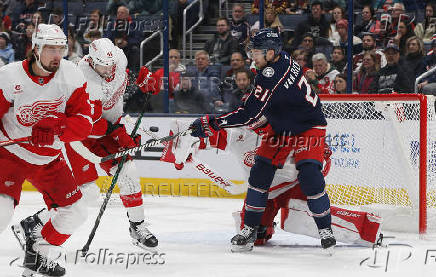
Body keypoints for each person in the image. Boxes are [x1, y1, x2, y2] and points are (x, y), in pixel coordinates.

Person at [189, 28, 336, 252]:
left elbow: (249, 114)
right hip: (281, 125)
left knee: (309, 175)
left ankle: (325, 230)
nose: (252, 57)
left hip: (308, 127)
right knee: (260, 173)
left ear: (270, 52)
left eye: (256, 52)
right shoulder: (281, 58)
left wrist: (213, 123)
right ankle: (250, 229)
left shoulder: (271, 75)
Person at [11, 38, 159, 254]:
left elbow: (122, 81)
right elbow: (93, 126)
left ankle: (137, 226)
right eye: (101, 66)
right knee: (86, 193)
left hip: (109, 127)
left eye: (110, 66)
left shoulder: (119, 58)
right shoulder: (83, 77)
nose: (107, 70)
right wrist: (120, 133)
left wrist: (140, 83)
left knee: (129, 172)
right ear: (91, 61)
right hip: (81, 135)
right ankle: (34, 223)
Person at [164, 119, 382, 247]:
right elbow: (202, 135)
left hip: (293, 187)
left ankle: (367, 228)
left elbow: (320, 163)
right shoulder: (239, 131)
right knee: (255, 238)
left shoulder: (293, 127)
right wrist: (183, 144)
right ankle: (266, 227)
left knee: (297, 219)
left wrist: (314, 168)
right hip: (263, 193)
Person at [0, 24, 93, 276]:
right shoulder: (9, 76)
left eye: (61, 48)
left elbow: (85, 123)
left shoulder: (72, 76)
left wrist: (58, 127)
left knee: (75, 212)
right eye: (51, 48)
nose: (57, 55)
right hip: (11, 153)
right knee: (1, 212)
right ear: (36, 48)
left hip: (49, 157)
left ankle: (38, 254)